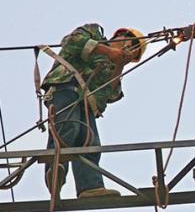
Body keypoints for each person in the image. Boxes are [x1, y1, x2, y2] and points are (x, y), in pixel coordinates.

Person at [41, 23, 146, 199]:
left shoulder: (110, 70)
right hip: (64, 87)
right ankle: (55, 171)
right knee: (67, 129)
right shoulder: (94, 32)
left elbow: (103, 99)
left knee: (90, 141)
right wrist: (108, 52)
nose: (130, 48)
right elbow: (72, 41)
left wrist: (118, 65)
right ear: (120, 35)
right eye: (131, 42)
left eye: (135, 50)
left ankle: (90, 187)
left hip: (85, 102)